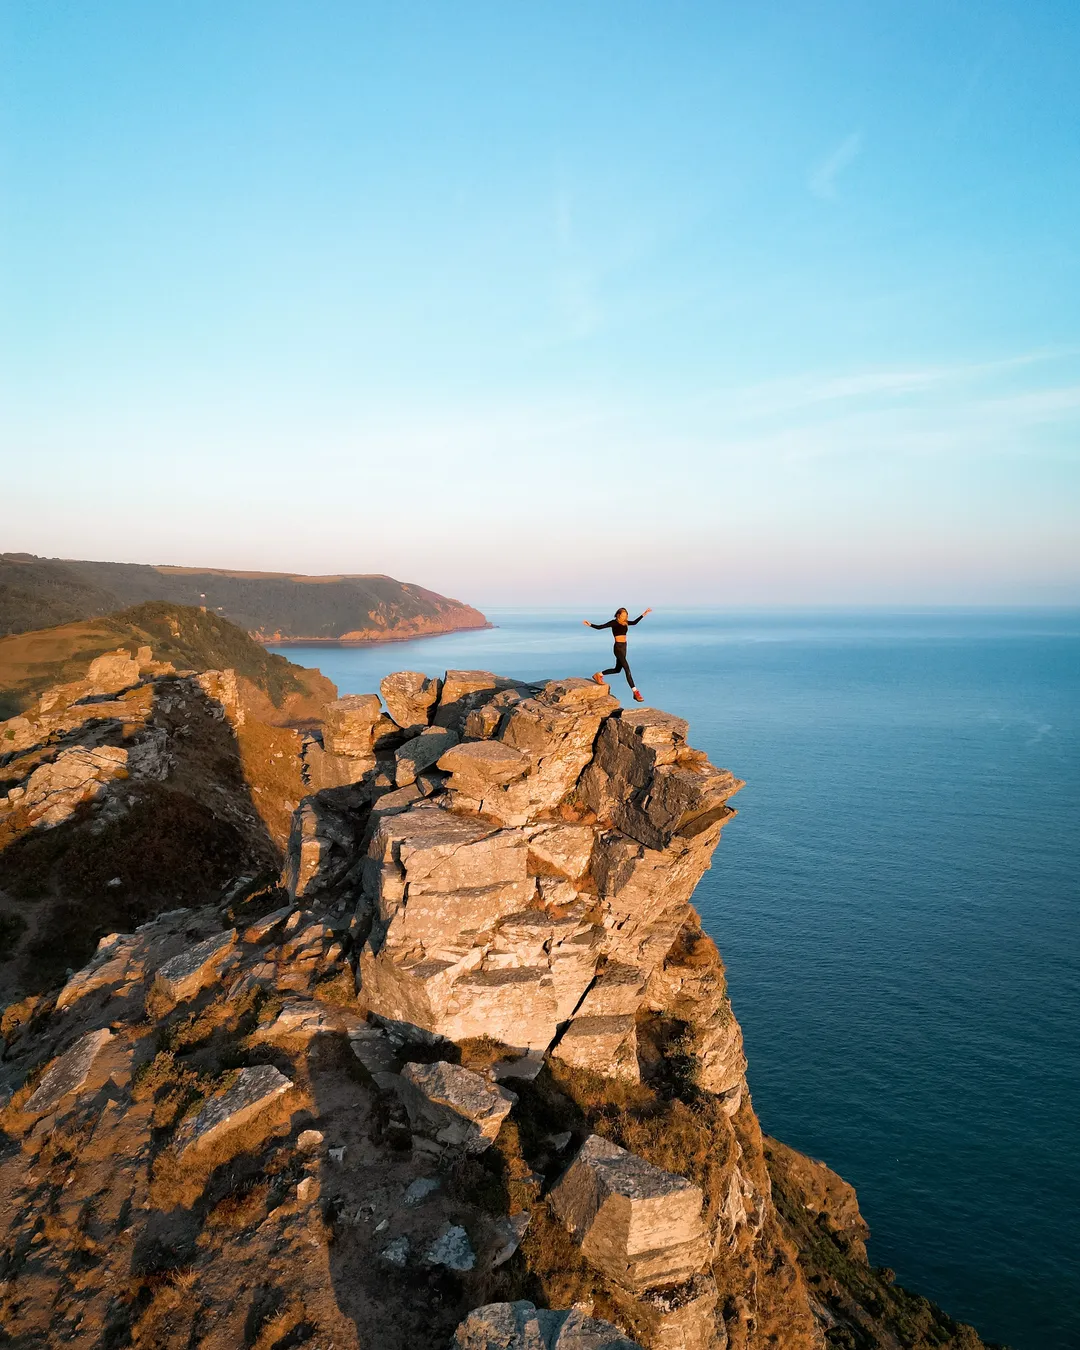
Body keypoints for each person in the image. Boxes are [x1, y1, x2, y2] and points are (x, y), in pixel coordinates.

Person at [583, 606, 652, 701]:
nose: (625, 617)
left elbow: (635, 622)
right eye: (623, 615)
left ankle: (599, 674)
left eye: (626, 615)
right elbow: (600, 627)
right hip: (618, 648)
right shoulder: (614, 622)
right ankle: (635, 692)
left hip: (624, 647)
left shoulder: (625, 623)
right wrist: (590, 624)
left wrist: (644, 614)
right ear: (618, 615)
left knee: (617, 669)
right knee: (627, 669)